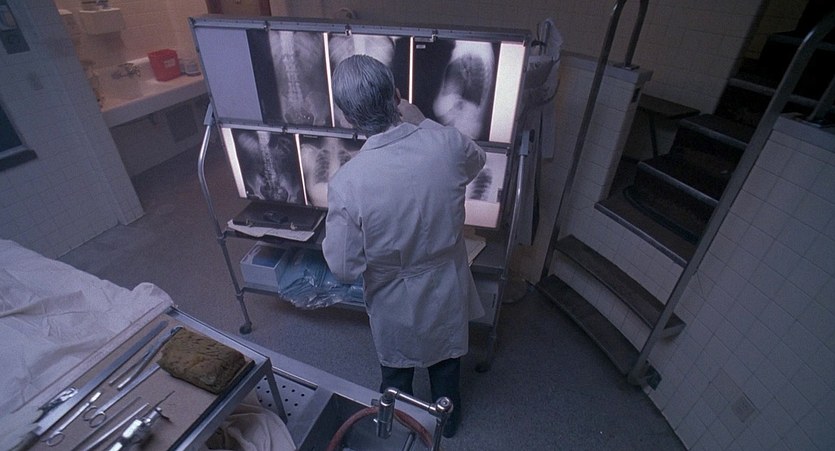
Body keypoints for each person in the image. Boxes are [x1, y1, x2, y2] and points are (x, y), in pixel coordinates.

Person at [322, 54, 486, 438]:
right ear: (397, 96)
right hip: (447, 283)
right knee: (446, 362)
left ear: (347, 117)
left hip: (393, 297)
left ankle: (399, 428)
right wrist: (421, 121)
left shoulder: (348, 183)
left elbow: (344, 268)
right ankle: (447, 423)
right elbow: (476, 162)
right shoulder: (447, 143)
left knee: (396, 372)